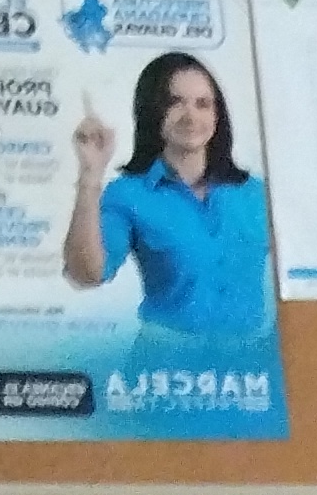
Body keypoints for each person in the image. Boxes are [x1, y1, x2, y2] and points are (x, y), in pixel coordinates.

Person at [60, 49, 271, 348]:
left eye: (203, 104)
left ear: (218, 115)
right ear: (152, 112)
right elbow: (87, 274)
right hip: (167, 364)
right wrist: (90, 174)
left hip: (251, 366)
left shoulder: (256, 193)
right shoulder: (129, 194)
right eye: (175, 102)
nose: (191, 116)